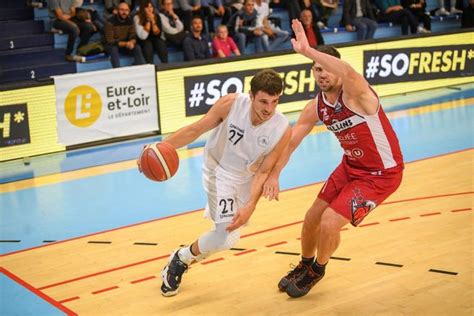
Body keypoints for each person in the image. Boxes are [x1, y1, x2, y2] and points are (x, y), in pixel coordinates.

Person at [265, 20, 404, 298]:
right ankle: (304, 264)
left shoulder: (358, 94)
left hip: (381, 174)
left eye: (327, 67)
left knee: (329, 222)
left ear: (338, 69)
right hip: (351, 167)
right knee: (311, 218)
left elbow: (349, 71)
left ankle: (318, 269)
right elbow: (291, 142)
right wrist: (274, 173)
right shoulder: (316, 106)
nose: (322, 73)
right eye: (317, 69)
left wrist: (308, 50)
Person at [159, 69, 291, 296]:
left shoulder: (282, 128)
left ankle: (186, 255)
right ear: (251, 96)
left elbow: (264, 171)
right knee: (224, 235)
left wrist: (250, 205)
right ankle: (180, 259)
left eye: (274, 101)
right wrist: (159, 147)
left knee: (229, 237)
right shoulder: (231, 104)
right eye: (263, 101)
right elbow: (195, 129)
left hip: (246, 178)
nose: (269, 109)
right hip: (217, 172)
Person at [104, 2, 146, 68]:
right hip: (111, 46)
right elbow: (110, 41)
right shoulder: (109, 22)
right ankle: (117, 70)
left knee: (137, 47)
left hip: (125, 45)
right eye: (122, 10)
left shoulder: (130, 21)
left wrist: (131, 42)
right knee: (113, 48)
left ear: (129, 11)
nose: (124, 12)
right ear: (118, 10)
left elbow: (133, 36)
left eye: (126, 10)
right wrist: (126, 44)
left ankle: (142, 67)